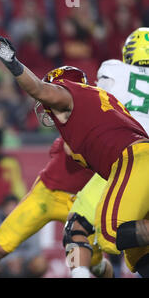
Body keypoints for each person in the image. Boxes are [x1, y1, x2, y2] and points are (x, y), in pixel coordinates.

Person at [0, 34, 149, 277]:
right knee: (137, 254)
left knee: (104, 233)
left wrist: (13, 64)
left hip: (132, 161)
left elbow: (38, 89)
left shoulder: (82, 92)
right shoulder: (101, 105)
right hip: (133, 159)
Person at [0, 96, 113, 278]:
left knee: (93, 265)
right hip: (47, 194)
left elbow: (74, 148)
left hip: (79, 203)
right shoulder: (74, 124)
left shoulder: (102, 128)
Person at [63, 27, 149, 277]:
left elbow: (96, 109)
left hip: (129, 159)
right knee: (140, 250)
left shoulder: (114, 70)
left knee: (77, 227)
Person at [0, 195, 48, 278]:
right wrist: (9, 260)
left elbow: (35, 248)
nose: (11, 210)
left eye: (14, 207)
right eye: (8, 207)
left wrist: (20, 259)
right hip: (2, 262)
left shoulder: (29, 220)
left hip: (24, 261)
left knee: (40, 264)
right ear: (2, 209)